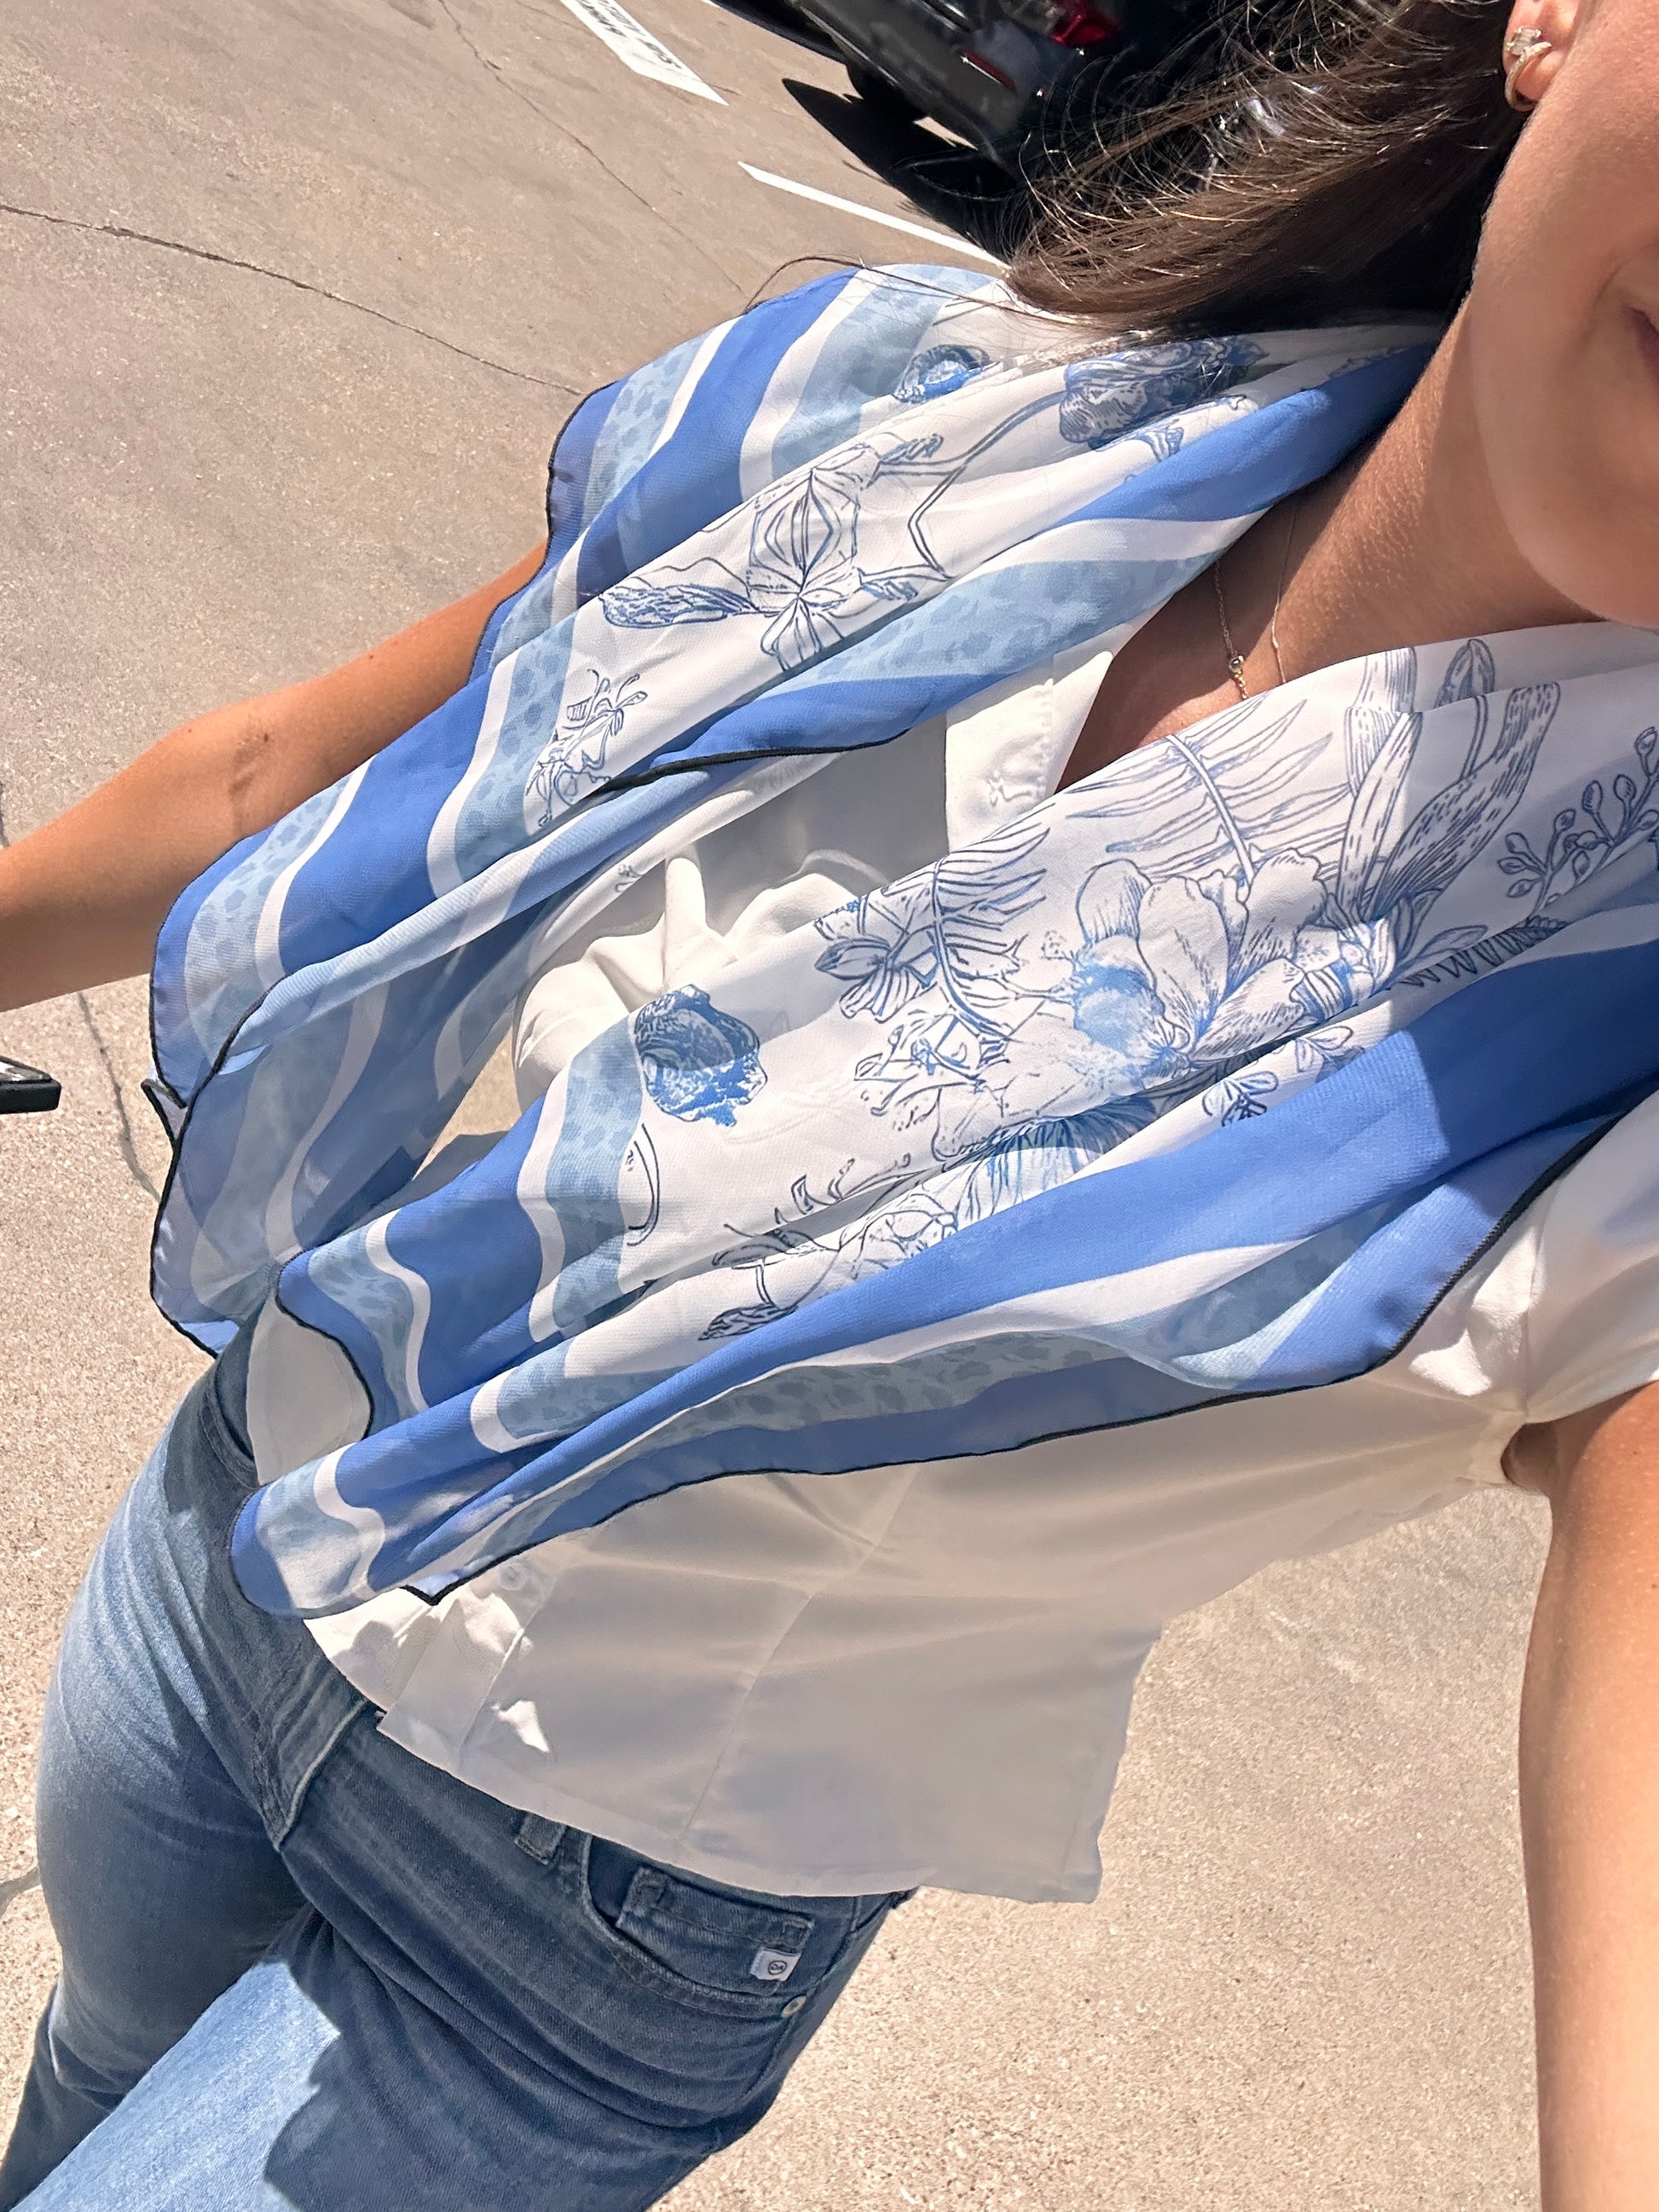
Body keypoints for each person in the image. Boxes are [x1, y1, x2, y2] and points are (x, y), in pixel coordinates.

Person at [1, 0, 1656, 2199]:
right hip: (240, 1540)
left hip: (580, 1941)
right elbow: (276, 778)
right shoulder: (932, 424)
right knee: (77, 2090)